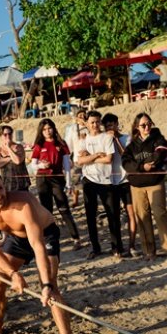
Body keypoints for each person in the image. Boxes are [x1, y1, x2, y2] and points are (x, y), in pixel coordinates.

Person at [0, 169, 72, 334]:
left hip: (45, 234)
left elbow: (37, 245)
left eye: (0, 189)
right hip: (16, 239)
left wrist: (45, 285)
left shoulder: (23, 202)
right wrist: (13, 274)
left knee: (51, 286)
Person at [122, 113, 167, 263]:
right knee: (143, 218)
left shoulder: (158, 138)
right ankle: (149, 251)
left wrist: (152, 162)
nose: (147, 127)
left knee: (160, 214)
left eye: (149, 123)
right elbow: (126, 163)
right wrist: (142, 167)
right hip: (137, 186)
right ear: (137, 127)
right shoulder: (131, 146)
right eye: (143, 125)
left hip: (155, 182)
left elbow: (162, 152)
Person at [74, 111, 124, 259]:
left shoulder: (106, 137)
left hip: (106, 180)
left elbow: (108, 158)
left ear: (100, 123)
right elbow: (79, 161)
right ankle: (95, 248)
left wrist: (88, 157)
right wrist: (96, 155)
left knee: (112, 215)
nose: (94, 125)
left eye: (97, 122)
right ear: (87, 124)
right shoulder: (82, 140)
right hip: (88, 179)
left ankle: (117, 247)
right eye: (92, 122)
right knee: (90, 216)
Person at [31, 118, 83, 250]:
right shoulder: (39, 145)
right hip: (42, 179)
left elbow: (66, 165)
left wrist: (69, 183)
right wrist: (42, 164)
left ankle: (76, 238)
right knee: (46, 210)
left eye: (49, 128)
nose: (47, 131)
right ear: (41, 131)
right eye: (44, 129)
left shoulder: (61, 144)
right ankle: (49, 239)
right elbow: (33, 165)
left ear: (53, 129)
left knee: (64, 209)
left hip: (57, 179)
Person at [102, 113, 138, 256]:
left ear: (117, 124)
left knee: (131, 213)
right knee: (114, 215)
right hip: (110, 182)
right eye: (107, 126)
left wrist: (116, 140)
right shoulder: (103, 140)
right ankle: (118, 247)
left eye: (112, 124)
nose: (110, 128)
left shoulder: (126, 138)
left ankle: (132, 245)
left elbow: (126, 156)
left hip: (125, 181)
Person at [0, 125, 30, 193]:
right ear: (1, 136)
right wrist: (9, 158)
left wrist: (8, 148)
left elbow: (17, 161)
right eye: (5, 134)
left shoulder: (19, 147)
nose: (8, 136)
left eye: (10, 134)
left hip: (21, 184)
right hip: (7, 183)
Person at [64, 109, 87, 206]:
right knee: (75, 181)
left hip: (90, 159)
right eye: (80, 115)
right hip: (77, 159)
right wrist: (68, 157)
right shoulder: (73, 128)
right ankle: (75, 199)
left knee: (87, 182)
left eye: (83, 114)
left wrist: (86, 125)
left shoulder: (90, 126)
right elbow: (68, 144)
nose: (82, 116)